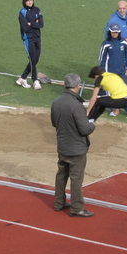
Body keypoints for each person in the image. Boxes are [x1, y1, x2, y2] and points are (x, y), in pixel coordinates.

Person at [50, 73, 96, 217]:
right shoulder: (76, 106)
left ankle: (59, 203)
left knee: (61, 175)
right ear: (77, 86)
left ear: (65, 84)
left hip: (63, 146)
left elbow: (54, 123)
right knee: (76, 178)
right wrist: (92, 124)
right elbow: (84, 129)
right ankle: (76, 208)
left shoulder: (56, 101)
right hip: (76, 149)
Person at [99, 22, 127, 117]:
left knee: (126, 91)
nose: (115, 34)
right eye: (113, 32)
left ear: (119, 32)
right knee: (111, 92)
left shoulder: (123, 42)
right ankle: (113, 110)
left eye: (116, 32)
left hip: (122, 71)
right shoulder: (105, 44)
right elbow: (102, 59)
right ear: (110, 32)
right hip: (110, 73)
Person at [16, 0, 44, 89]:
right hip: (28, 38)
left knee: (36, 59)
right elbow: (25, 28)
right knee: (32, 59)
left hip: (37, 37)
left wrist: (30, 24)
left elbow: (41, 24)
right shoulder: (22, 12)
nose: (30, 2)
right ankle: (35, 80)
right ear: (24, 2)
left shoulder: (37, 10)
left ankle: (23, 78)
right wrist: (34, 23)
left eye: (31, 0)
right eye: (28, 0)